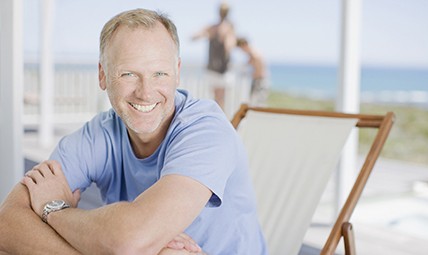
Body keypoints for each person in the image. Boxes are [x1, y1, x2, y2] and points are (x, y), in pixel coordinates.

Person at [0, 8, 267, 255]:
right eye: (128, 74)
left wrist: (54, 210)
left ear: (177, 72)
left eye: (159, 74)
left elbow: (129, 241)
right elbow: (7, 224)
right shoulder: (100, 134)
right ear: (103, 75)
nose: (145, 92)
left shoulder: (206, 130)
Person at [191, 2, 236, 110]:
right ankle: (218, 118)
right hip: (220, 68)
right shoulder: (225, 28)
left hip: (218, 68)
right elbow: (230, 46)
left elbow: (195, 36)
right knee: (219, 98)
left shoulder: (217, 28)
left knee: (218, 97)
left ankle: (218, 118)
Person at [236, 37, 270, 107]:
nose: (242, 51)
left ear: (244, 45)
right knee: (255, 100)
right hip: (259, 79)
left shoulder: (253, 53)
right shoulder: (252, 53)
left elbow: (259, 68)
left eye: (241, 49)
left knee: (258, 101)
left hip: (260, 80)